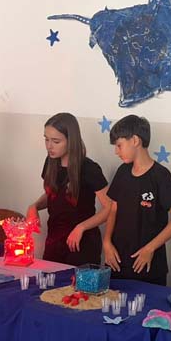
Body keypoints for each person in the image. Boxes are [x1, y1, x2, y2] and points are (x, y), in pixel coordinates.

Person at [103, 115, 171, 286]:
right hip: (117, 262)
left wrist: (150, 248)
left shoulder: (160, 176)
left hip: (148, 266)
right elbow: (113, 209)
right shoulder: (122, 171)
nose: (116, 152)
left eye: (119, 146)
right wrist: (106, 242)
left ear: (135, 140)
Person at [26, 113, 111, 266]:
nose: (49, 146)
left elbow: (109, 208)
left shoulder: (89, 168)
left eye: (56, 141)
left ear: (71, 141)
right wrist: (35, 206)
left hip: (81, 243)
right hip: (54, 241)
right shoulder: (50, 162)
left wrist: (81, 227)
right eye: (46, 139)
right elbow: (53, 194)